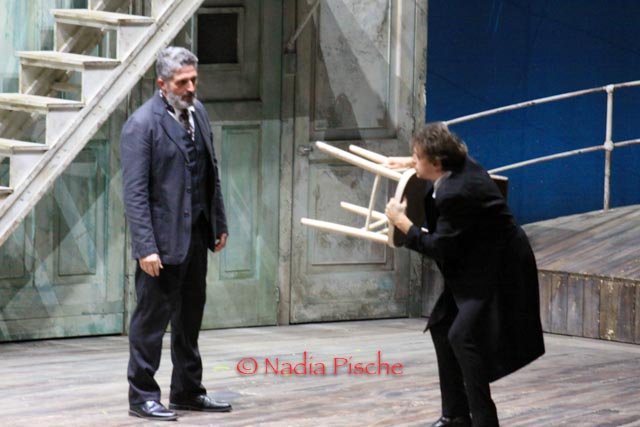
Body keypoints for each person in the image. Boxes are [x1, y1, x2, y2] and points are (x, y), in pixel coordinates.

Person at [385, 123, 544, 427]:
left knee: (462, 335)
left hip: (499, 268)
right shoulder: (457, 163)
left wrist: (402, 223)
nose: (413, 161)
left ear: (436, 163)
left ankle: (484, 421)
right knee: (442, 324)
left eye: (417, 157)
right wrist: (410, 163)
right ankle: (456, 415)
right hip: (476, 259)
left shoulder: (456, 191)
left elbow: (440, 247)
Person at [121, 46, 231, 421]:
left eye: (193, 80)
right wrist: (145, 247)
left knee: (189, 318)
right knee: (151, 321)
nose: (190, 88)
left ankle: (187, 390)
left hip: (196, 235)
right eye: (182, 82)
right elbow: (135, 193)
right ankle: (142, 396)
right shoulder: (142, 124)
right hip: (161, 242)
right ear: (162, 84)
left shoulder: (199, 113)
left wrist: (218, 222)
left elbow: (210, 172)